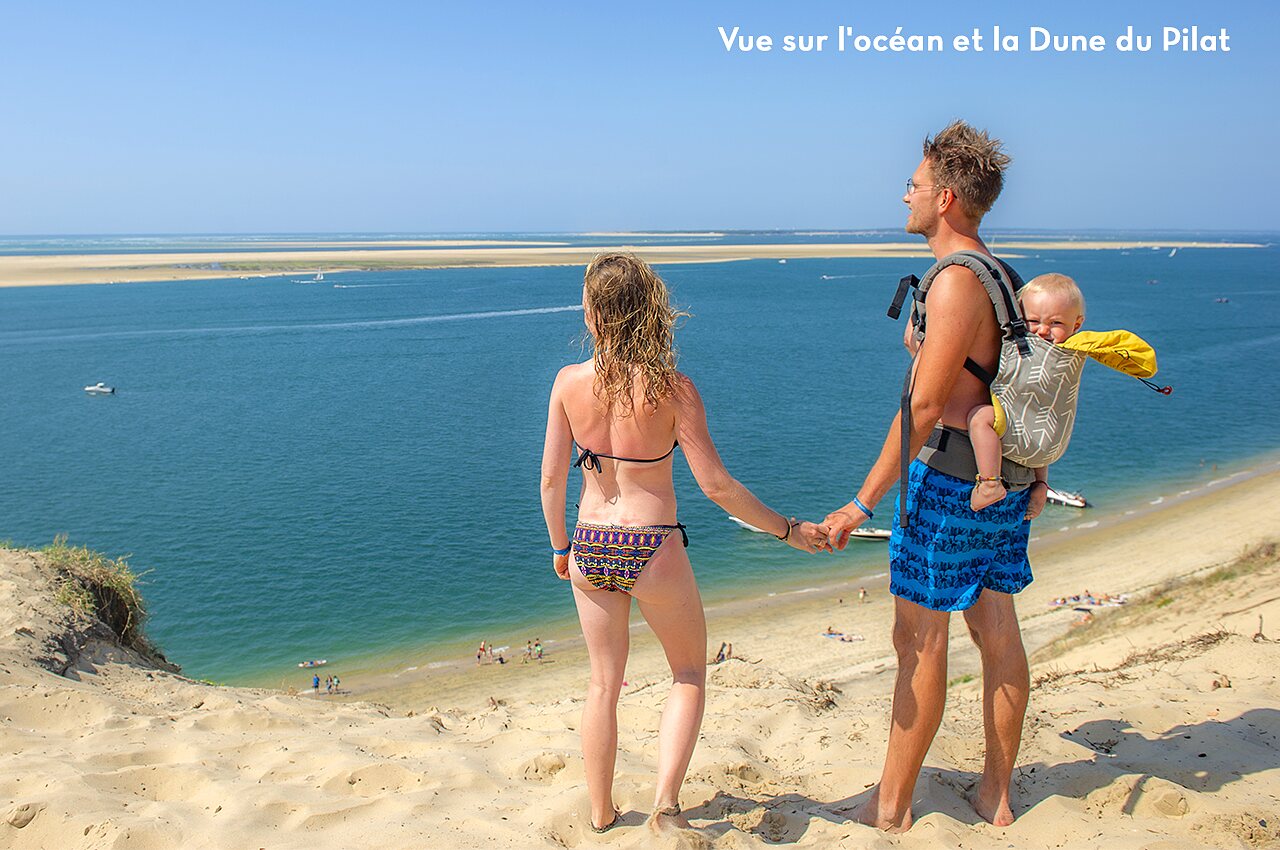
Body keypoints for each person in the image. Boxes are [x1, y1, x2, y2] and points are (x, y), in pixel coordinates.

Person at [541, 252, 826, 834]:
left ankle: (600, 814)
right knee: (689, 674)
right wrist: (788, 530)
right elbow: (717, 486)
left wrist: (560, 548)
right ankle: (666, 804)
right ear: (651, 312)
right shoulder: (674, 390)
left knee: (602, 684)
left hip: (592, 542)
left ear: (592, 314)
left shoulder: (569, 384)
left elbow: (550, 479)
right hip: (654, 543)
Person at [823, 121, 1032, 831]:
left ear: (944, 198)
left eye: (913, 185)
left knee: (920, 639)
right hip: (999, 479)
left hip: (945, 486)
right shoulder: (1003, 274)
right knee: (997, 629)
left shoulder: (952, 282)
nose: (904, 195)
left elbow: (926, 408)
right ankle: (995, 794)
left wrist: (862, 500)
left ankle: (890, 807)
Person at [967, 273, 1086, 512]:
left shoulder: (1053, 350)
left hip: (1024, 431)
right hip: (1045, 440)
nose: (1042, 331)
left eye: (1056, 323)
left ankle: (990, 483)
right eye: (1032, 321)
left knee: (980, 418)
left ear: (1077, 324)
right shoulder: (1076, 348)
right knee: (1038, 420)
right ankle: (1041, 484)